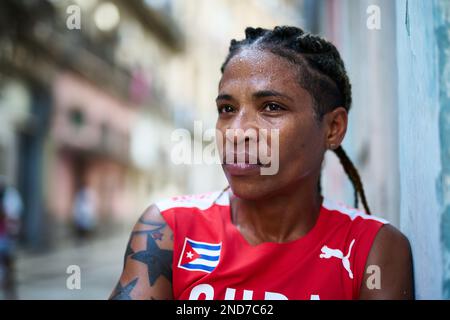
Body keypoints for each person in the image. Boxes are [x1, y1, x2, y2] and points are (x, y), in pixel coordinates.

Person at [110, 26, 414, 300]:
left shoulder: (372, 249)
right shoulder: (168, 228)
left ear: (333, 128)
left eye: (271, 107)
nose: (237, 131)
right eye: (227, 108)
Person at [0, 176, 23, 299]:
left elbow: (13, 215)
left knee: (8, 265)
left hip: (7, 236)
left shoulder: (11, 196)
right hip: (4, 236)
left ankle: (10, 292)